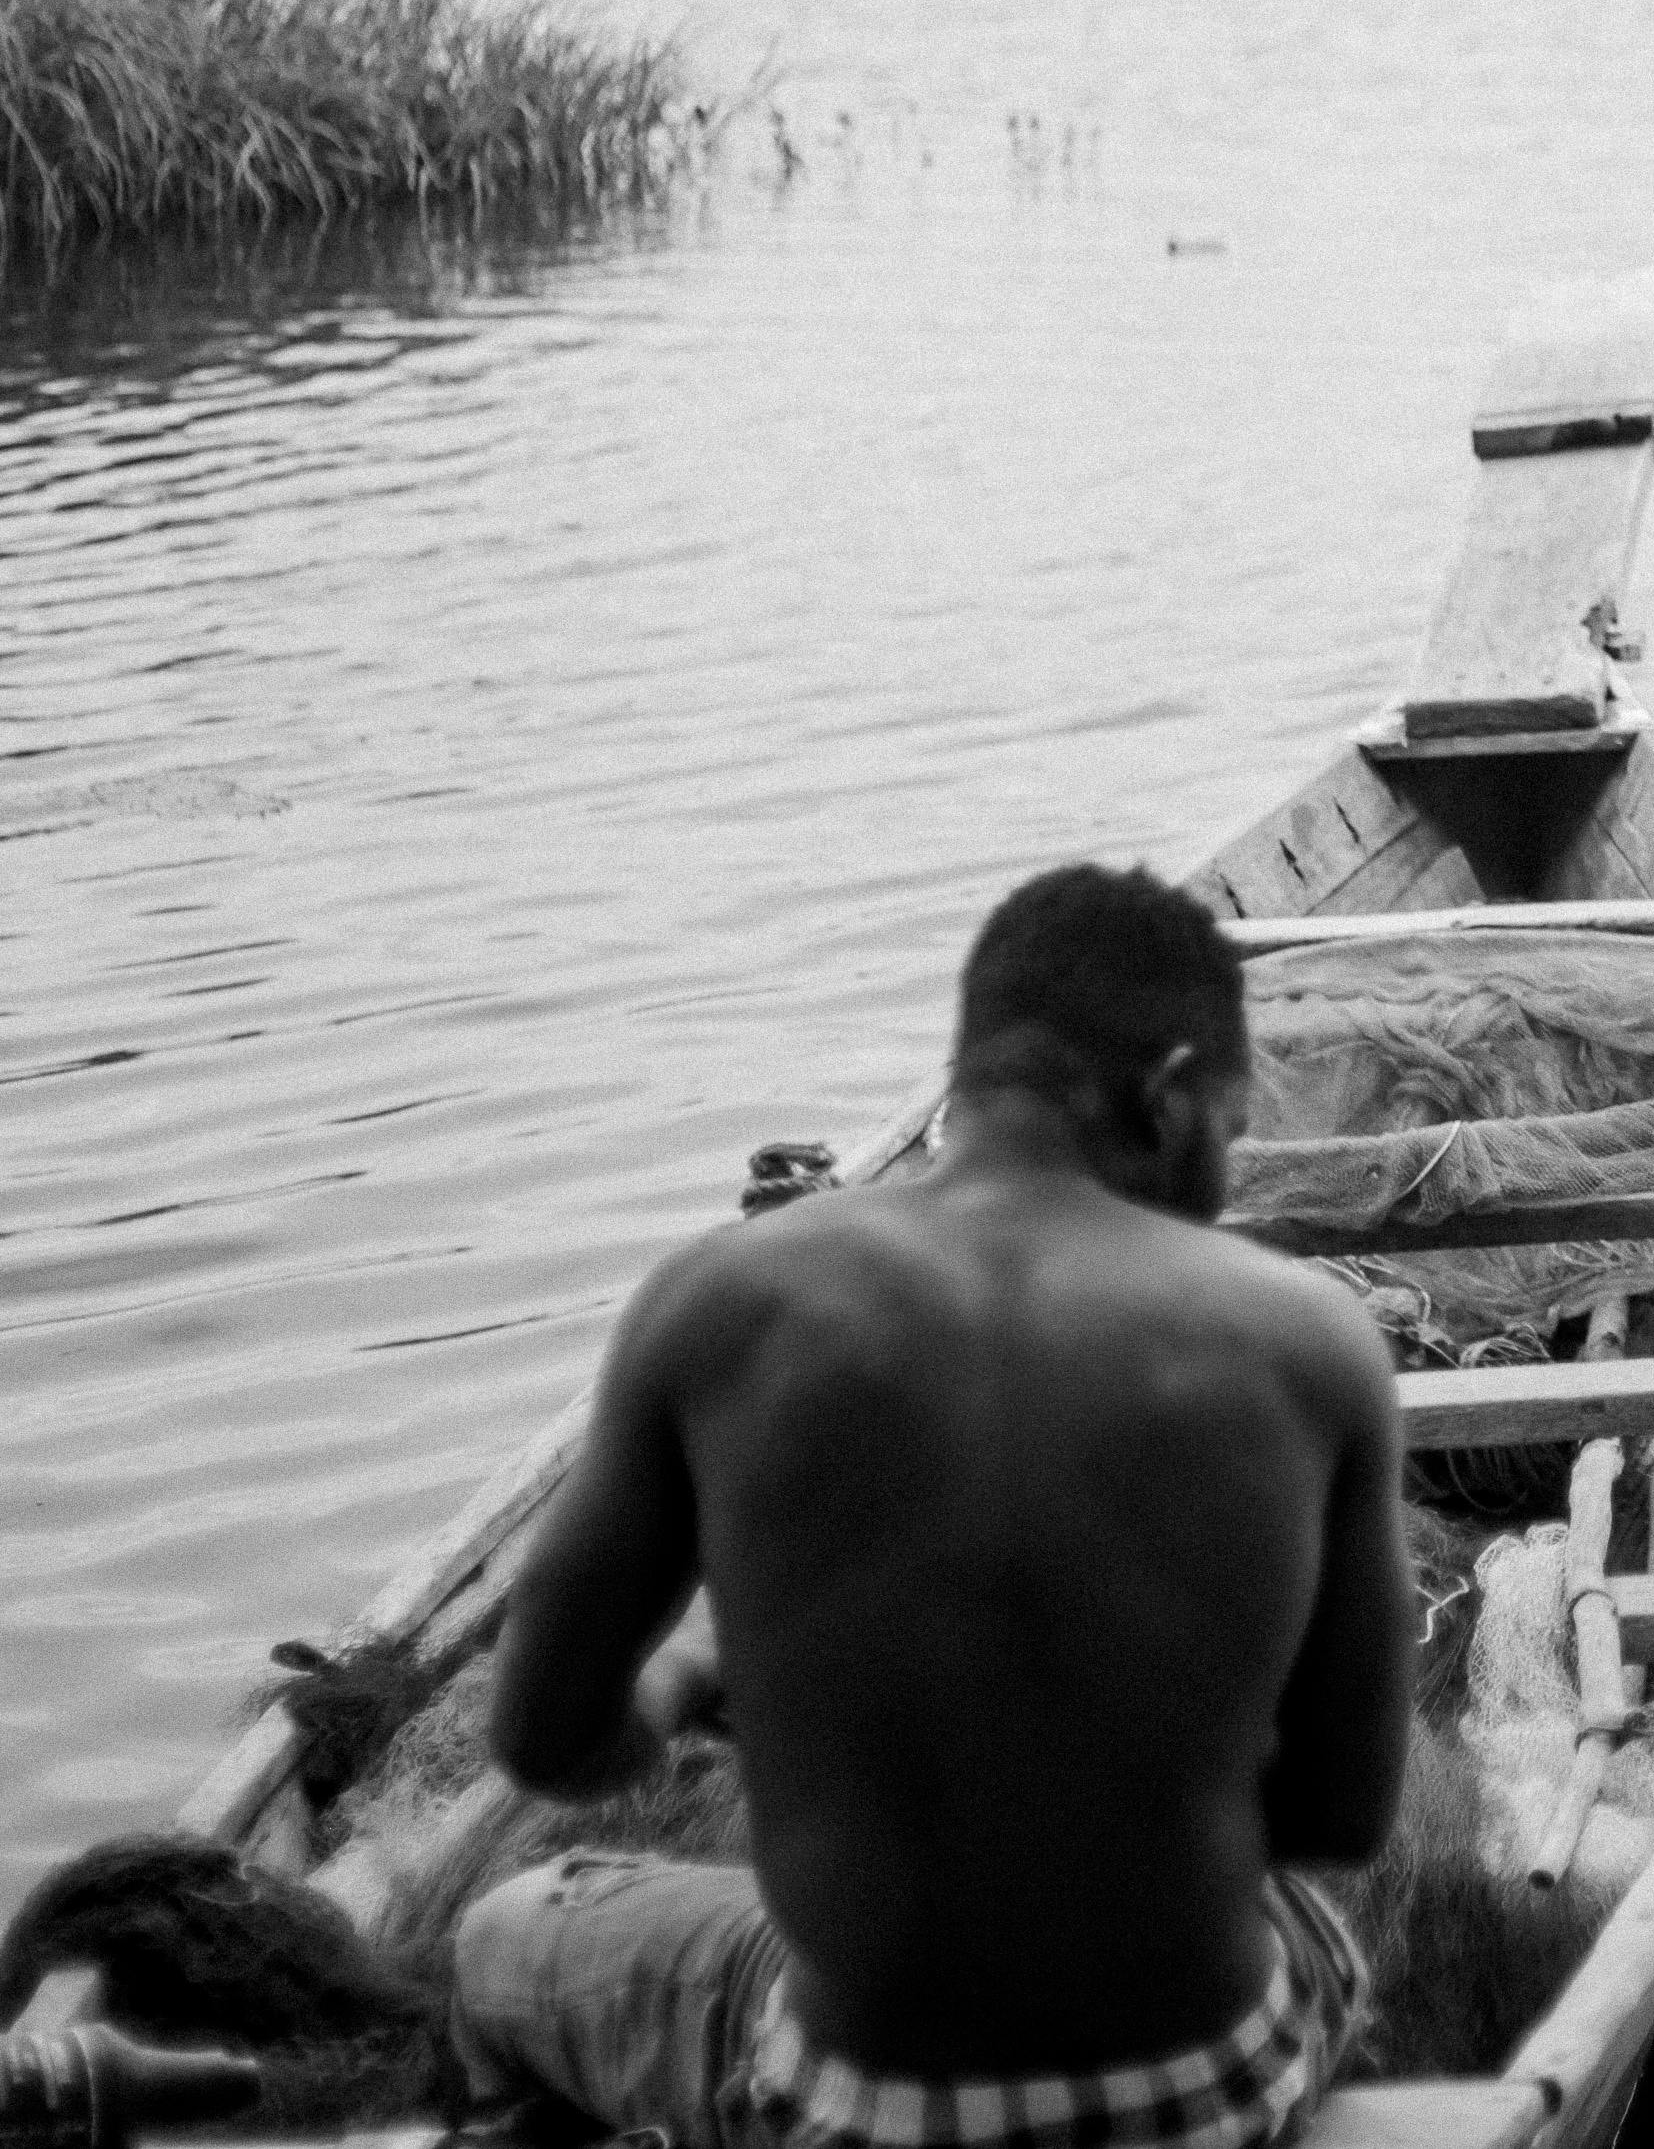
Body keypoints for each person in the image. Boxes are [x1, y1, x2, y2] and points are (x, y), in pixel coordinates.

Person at [458, 866, 1414, 2149]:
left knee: (502, 1934)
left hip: (858, 2115)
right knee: (1303, 1928)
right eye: (1230, 1135)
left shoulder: (718, 1301)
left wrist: (684, 1682)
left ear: (969, 1084)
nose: (1224, 1182)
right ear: (1170, 1088)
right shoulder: (1310, 1338)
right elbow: (1340, 1820)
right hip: (1206, 2096)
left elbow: (544, 1744)